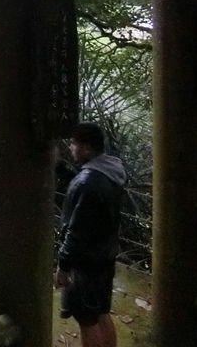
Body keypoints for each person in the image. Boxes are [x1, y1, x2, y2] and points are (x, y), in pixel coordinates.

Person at [54, 122, 126, 347]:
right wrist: (60, 168)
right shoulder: (110, 171)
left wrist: (63, 266)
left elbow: (76, 231)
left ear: (85, 147)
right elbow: (83, 183)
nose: (71, 147)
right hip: (105, 254)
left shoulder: (88, 184)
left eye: (74, 144)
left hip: (86, 262)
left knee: (86, 320)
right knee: (102, 312)